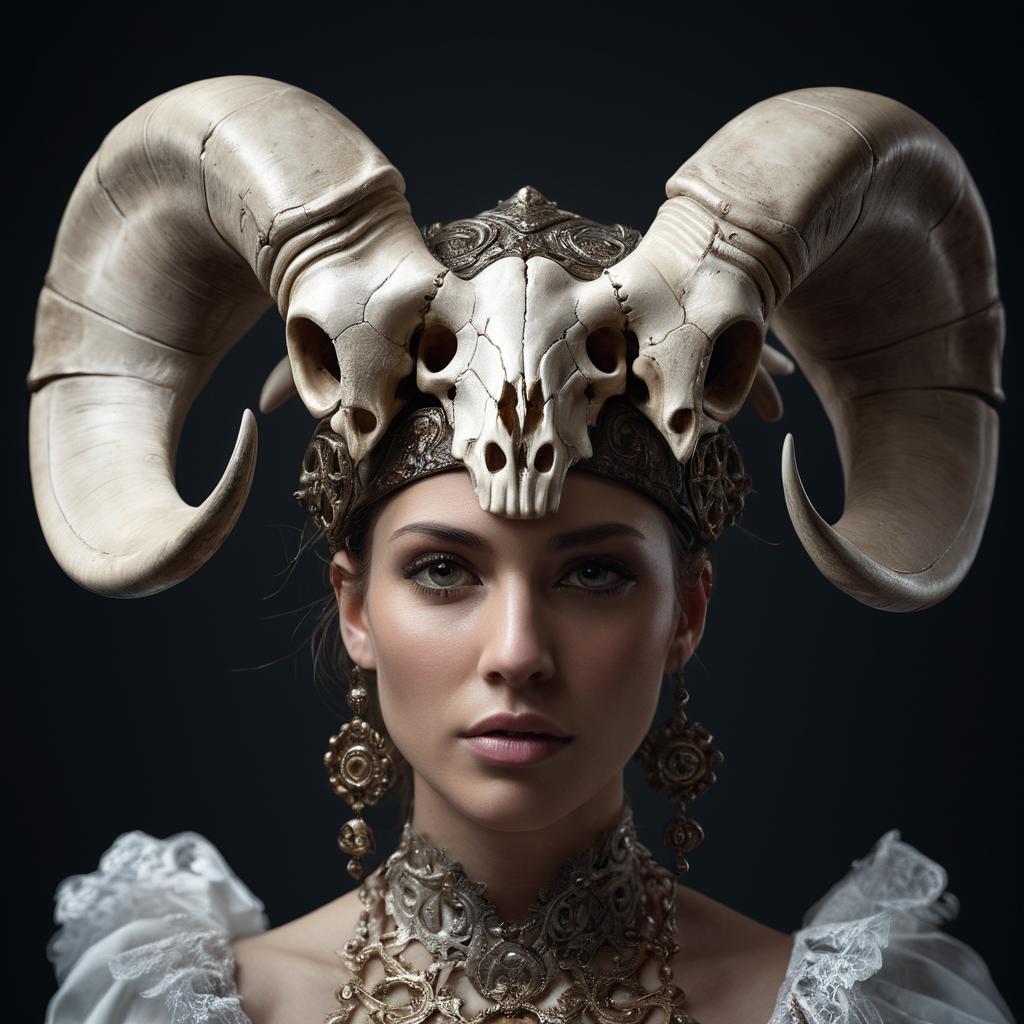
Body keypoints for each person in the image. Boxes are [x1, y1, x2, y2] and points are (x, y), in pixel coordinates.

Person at [32, 77, 1013, 1023]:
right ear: (355, 606)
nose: (516, 651)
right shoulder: (173, 1007)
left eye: (594, 573)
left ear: (688, 611)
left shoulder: (858, 1008)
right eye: (443, 569)